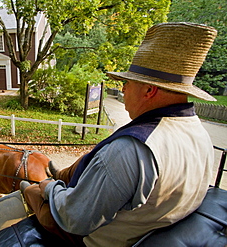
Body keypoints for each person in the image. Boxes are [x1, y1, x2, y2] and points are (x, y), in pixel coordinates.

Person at [21, 22, 218, 247]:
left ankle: (42, 185)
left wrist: (49, 188)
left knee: (33, 189)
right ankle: (63, 174)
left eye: (127, 83)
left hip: (101, 237)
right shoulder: (198, 132)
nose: (123, 90)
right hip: (158, 218)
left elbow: (73, 218)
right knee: (90, 159)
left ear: (149, 90)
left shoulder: (130, 150)